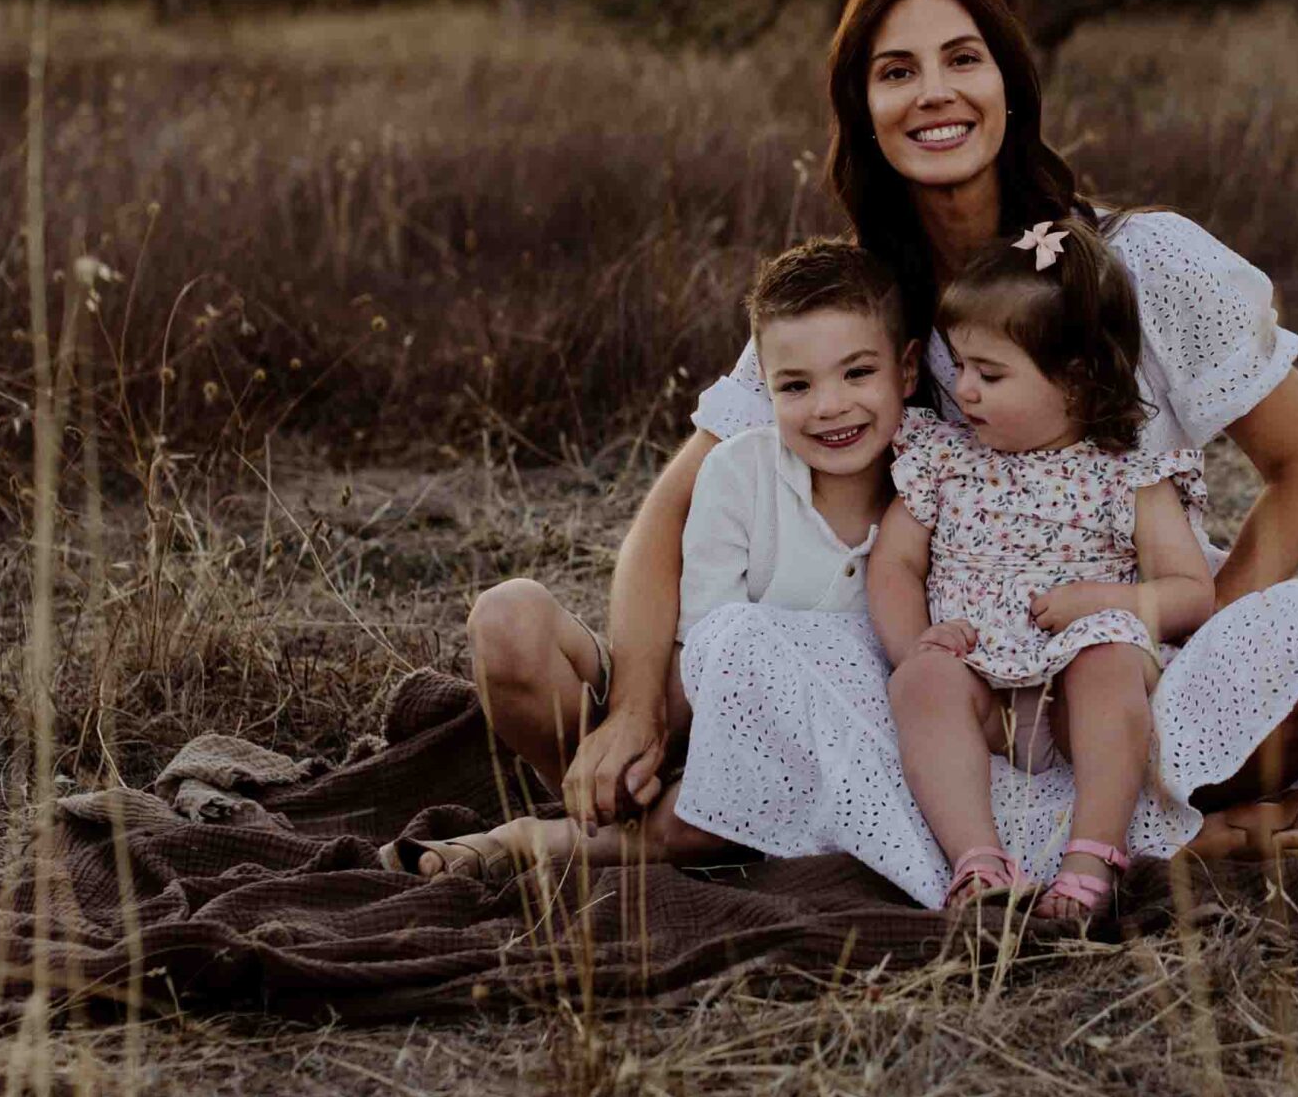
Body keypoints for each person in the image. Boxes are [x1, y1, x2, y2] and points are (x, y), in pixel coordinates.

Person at [644, 0, 1298, 907]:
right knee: (766, 655)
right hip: (956, 675)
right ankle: (1116, 843)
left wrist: (1190, 651)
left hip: (1126, 653)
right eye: (896, 71)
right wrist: (636, 706)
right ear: (858, 108)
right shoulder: (858, 316)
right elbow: (671, 514)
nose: (935, 93)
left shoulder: (1142, 263)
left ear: (1010, 82)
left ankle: (1129, 808)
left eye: (964, 58)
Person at [379, 238, 914, 879]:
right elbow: (706, 645)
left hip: (823, 748)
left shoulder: (936, 489)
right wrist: (642, 732)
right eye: (796, 385)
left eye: (857, 373)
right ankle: (613, 811)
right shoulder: (738, 471)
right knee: (507, 617)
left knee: (703, 816)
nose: (829, 406)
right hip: (704, 715)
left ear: (907, 372)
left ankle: (533, 842)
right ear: (763, 387)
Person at [872, 216, 1216, 915]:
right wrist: (920, 647)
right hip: (978, 680)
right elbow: (894, 565)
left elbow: (1192, 593)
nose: (962, 389)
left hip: (1075, 677)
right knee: (921, 684)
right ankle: (977, 859)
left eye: (989, 373)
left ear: (1078, 382)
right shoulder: (944, 460)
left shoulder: (1129, 476)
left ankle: (1092, 854)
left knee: (1110, 662)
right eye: (960, 365)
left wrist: (1102, 603)